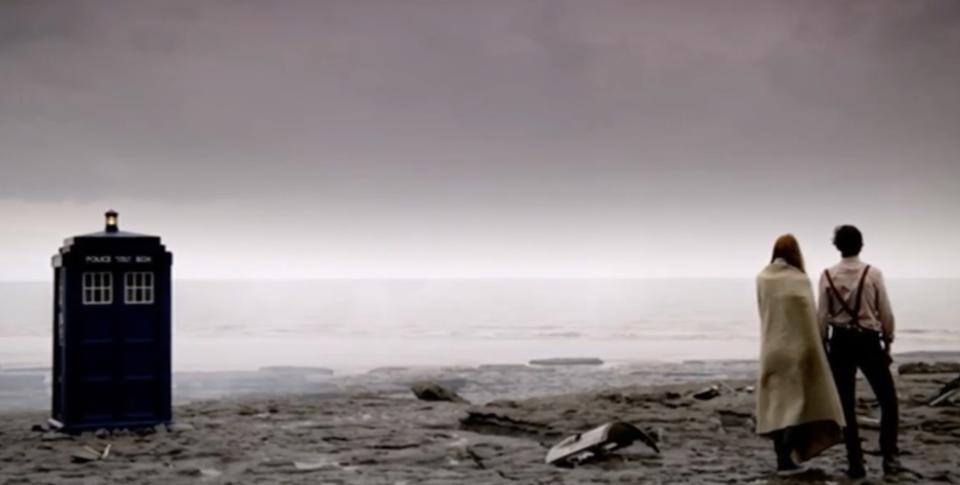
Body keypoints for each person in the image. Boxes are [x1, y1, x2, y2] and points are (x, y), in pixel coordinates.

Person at [756, 234, 846, 476]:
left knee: (776, 404)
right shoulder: (800, 279)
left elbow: (763, 311)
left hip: (771, 349)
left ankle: (781, 457)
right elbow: (810, 319)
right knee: (798, 404)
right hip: (798, 349)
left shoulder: (762, 278)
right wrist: (819, 346)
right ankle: (787, 456)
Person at [818, 225, 900, 478]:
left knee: (846, 404)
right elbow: (884, 310)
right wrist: (888, 339)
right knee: (888, 400)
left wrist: (823, 343)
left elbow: (821, 315)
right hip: (868, 340)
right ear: (861, 245)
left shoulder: (827, 275)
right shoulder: (873, 273)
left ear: (837, 247)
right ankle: (888, 455)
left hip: (840, 341)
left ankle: (855, 462)